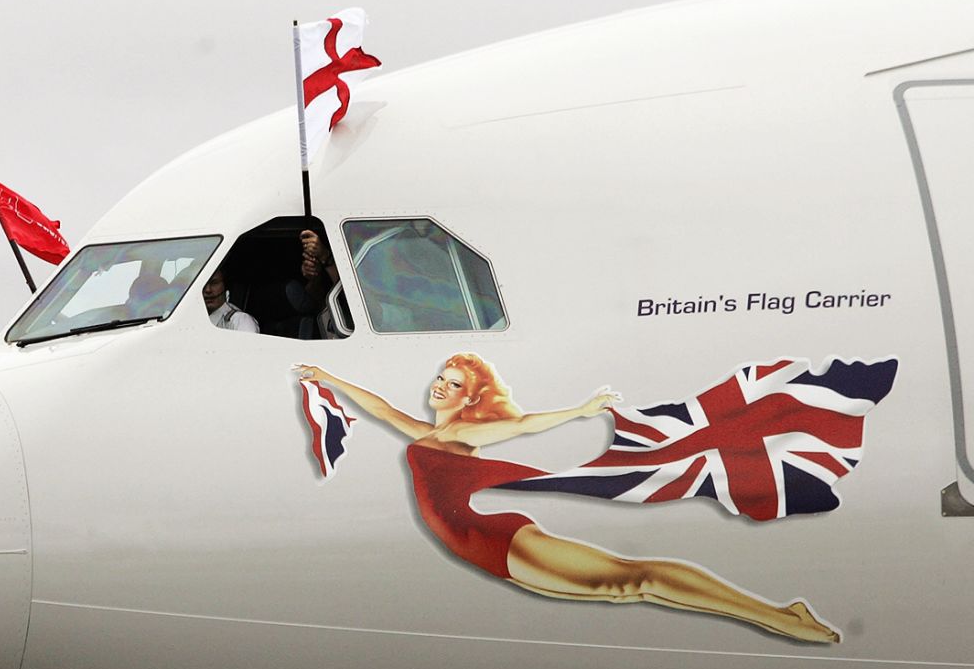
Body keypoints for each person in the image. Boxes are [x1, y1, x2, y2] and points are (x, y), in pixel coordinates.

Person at [292, 354, 840, 643]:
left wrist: (579, 412)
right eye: (441, 377)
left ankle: (778, 617)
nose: (440, 386)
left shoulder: (467, 435)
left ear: (472, 399)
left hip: (495, 536)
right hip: (480, 546)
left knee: (634, 579)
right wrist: (328, 377)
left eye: (454, 383)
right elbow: (384, 410)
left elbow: (525, 423)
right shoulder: (428, 434)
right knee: (623, 588)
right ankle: (775, 616)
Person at [203, 266, 259, 333]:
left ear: (225, 285)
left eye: (214, 283)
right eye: (203, 283)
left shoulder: (240, 321)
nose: (208, 290)